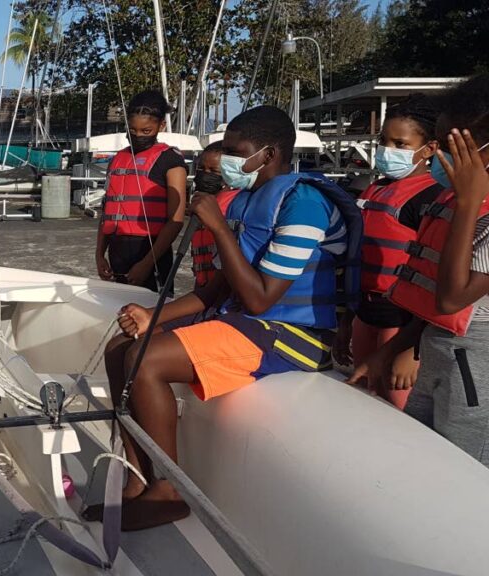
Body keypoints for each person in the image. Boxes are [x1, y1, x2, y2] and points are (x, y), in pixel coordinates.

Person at [89, 106, 360, 531]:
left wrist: (216, 228)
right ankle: (136, 478)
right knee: (120, 348)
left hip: (295, 335)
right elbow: (217, 288)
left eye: (236, 151)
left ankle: (169, 491)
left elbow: (259, 299)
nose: (227, 161)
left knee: (146, 360)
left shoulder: (304, 204)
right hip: (248, 322)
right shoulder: (250, 202)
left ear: (268, 154)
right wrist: (151, 314)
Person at [350, 74, 489, 467]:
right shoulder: (452, 202)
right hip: (436, 352)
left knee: (465, 470)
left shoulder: (472, 208)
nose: (438, 157)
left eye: (451, 146)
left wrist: (468, 202)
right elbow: (432, 307)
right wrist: (393, 349)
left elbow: (450, 298)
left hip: (476, 372)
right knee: (421, 458)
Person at [333, 95, 443, 409]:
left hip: (403, 320)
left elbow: (434, 277)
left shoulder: (431, 199)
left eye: (400, 143)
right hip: (365, 312)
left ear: (430, 149)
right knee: (365, 396)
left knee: (398, 404)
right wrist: (345, 324)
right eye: (383, 140)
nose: (387, 150)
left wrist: (413, 349)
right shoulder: (373, 190)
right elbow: (355, 261)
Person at [96, 90, 187, 292]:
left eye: (146, 131)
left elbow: (176, 221)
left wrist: (147, 264)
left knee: (150, 316)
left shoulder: (170, 161)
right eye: (133, 130)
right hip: (117, 252)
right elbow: (107, 212)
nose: (138, 136)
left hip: (152, 252)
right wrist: (99, 255)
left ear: (161, 126)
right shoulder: (118, 159)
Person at [189, 141, 242, 289]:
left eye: (214, 171)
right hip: (202, 287)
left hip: (225, 289)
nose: (206, 174)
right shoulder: (200, 204)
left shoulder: (236, 204)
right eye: (201, 169)